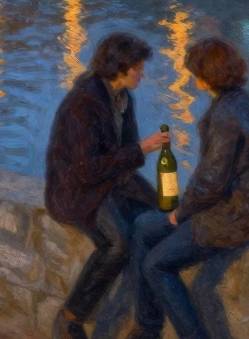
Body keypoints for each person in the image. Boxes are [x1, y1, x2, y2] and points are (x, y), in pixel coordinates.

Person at [128, 37, 249, 339]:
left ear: (206, 76)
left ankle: (176, 333)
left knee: (156, 265)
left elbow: (210, 182)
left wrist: (180, 213)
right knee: (143, 227)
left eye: (195, 72)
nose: (192, 77)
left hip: (235, 219)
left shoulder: (225, 117)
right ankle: (147, 328)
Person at [45, 32, 169, 339]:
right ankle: (71, 317)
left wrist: (161, 198)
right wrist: (141, 149)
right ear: (120, 68)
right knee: (118, 244)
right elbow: (88, 170)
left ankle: (146, 327)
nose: (143, 74)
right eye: (139, 68)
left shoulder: (126, 98)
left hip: (108, 183)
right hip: (76, 191)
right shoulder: (83, 103)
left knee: (160, 219)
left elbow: (125, 157)